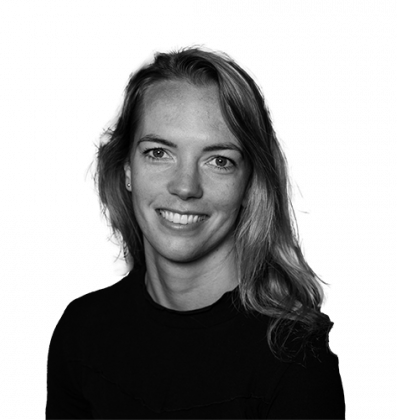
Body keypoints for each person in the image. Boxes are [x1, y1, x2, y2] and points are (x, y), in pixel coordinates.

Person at [46, 43, 346, 419]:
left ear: (249, 184)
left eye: (219, 160)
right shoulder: (81, 331)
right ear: (127, 169)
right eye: (158, 153)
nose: (185, 187)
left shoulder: (297, 359)